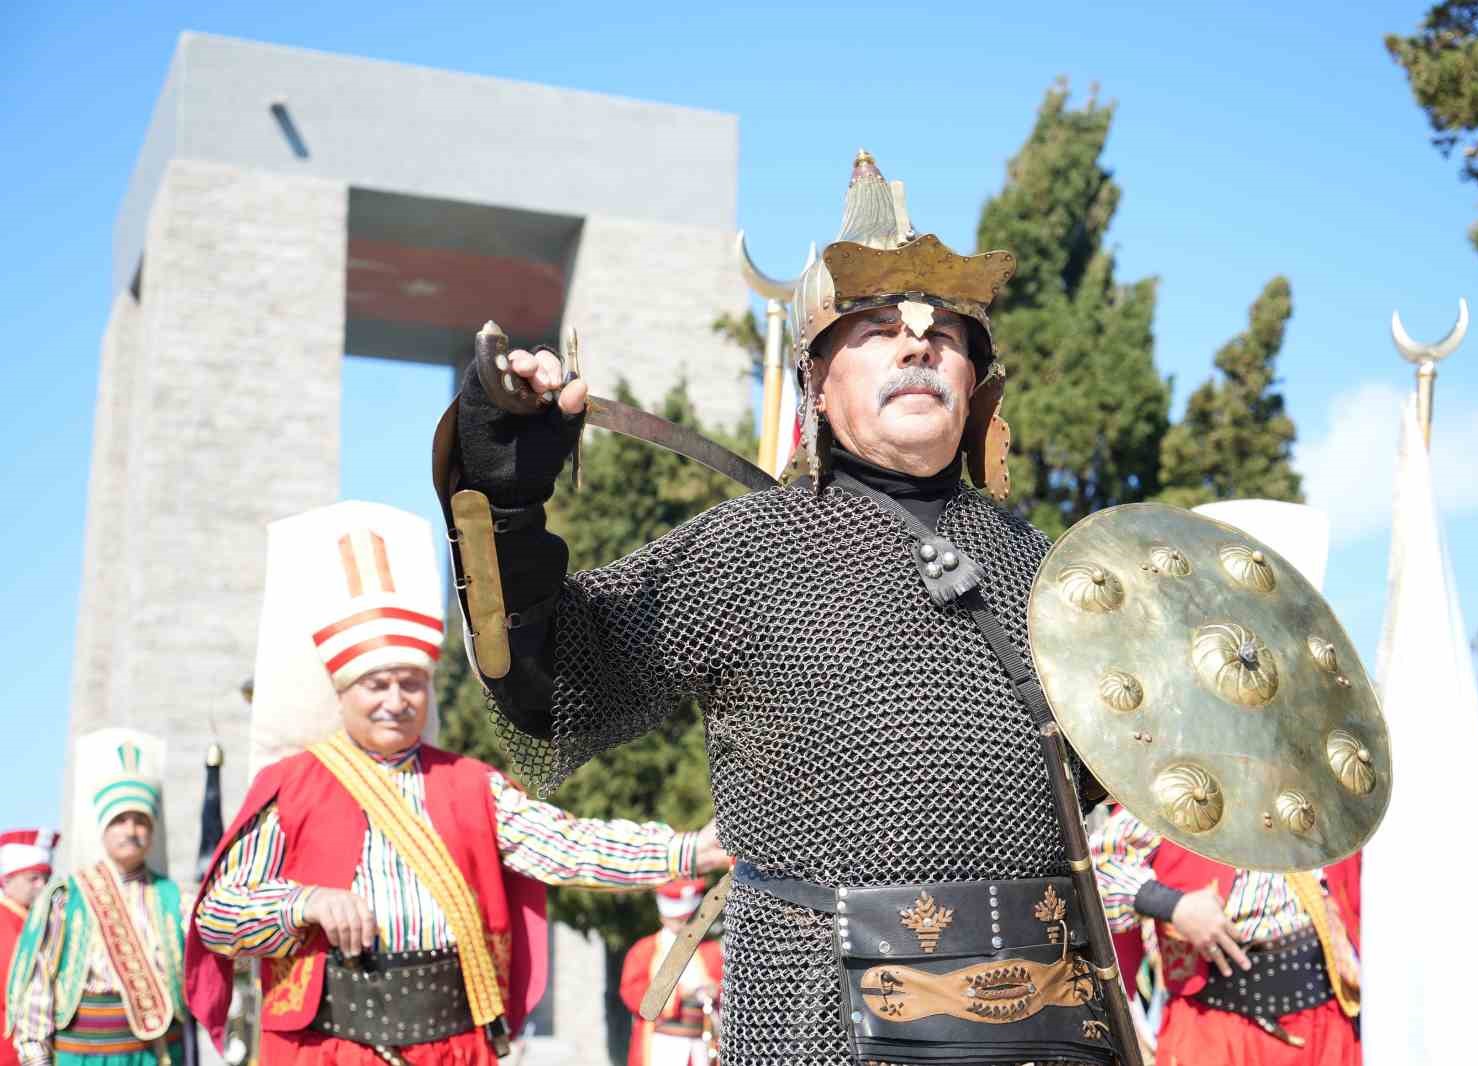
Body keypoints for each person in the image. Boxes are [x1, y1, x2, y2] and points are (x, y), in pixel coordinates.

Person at [434, 150, 1113, 1065]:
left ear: (980, 385)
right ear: (817, 387)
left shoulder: (1054, 574)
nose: (917, 344)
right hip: (818, 1012)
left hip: (1047, 1020)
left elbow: (1128, 779)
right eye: (873, 326)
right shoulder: (749, 552)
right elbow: (549, 686)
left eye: (945, 332)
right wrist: (505, 509)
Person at [184, 501, 728, 1066]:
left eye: (411, 684)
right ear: (342, 693)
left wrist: (689, 849)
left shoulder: (471, 784)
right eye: (377, 684)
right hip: (333, 1048)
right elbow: (218, 917)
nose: (396, 701)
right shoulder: (293, 786)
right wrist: (304, 903)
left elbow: (568, 848)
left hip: (454, 1048)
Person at [1090, 501, 1362, 1066]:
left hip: (1328, 1025)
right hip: (1218, 1032)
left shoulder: (1330, 754)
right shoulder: (1178, 753)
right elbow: (1098, 865)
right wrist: (1170, 905)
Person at [7, 734, 186, 1066]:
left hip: (155, 1054)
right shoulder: (66, 897)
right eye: (119, 820)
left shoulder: (172, 897)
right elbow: (39, 981)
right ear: (102, 827)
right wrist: (35, 1056)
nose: (131, 830)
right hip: (81, 1055)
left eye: (141, 821)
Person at [619, 879, 723, 1066]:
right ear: (664, 917)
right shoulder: (645, 950)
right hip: (660, 1042)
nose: (684, 925)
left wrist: (715, 991)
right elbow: (632, 994)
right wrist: (677, 994)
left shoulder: (711, 950)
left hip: (701, 1044)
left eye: (689, 918)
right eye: (679, 919)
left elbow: (729, 990)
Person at [0, 831, 58, 1066]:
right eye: (33, 878)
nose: (42, 885)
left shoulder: (38, 919)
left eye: (45, 878)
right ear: (6, 880)